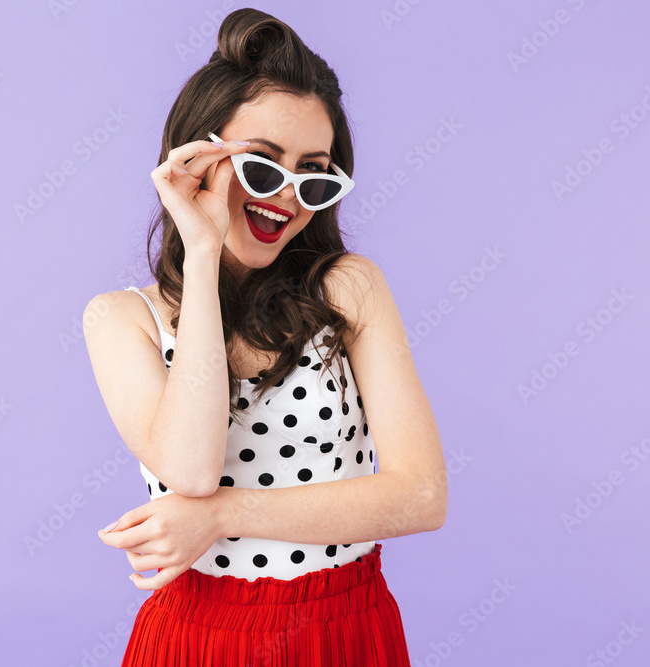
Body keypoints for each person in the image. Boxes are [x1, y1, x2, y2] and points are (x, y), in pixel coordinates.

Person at [83, 8, 447, 665]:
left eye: (313, 172)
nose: (286, 195)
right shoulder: (119, 319)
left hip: (343, 627)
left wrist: (223, 516)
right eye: (261, 165)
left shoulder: (350, 287)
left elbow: (421, 494)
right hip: (196, 635)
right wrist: (201, 250)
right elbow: (190, 469)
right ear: (194, 158)